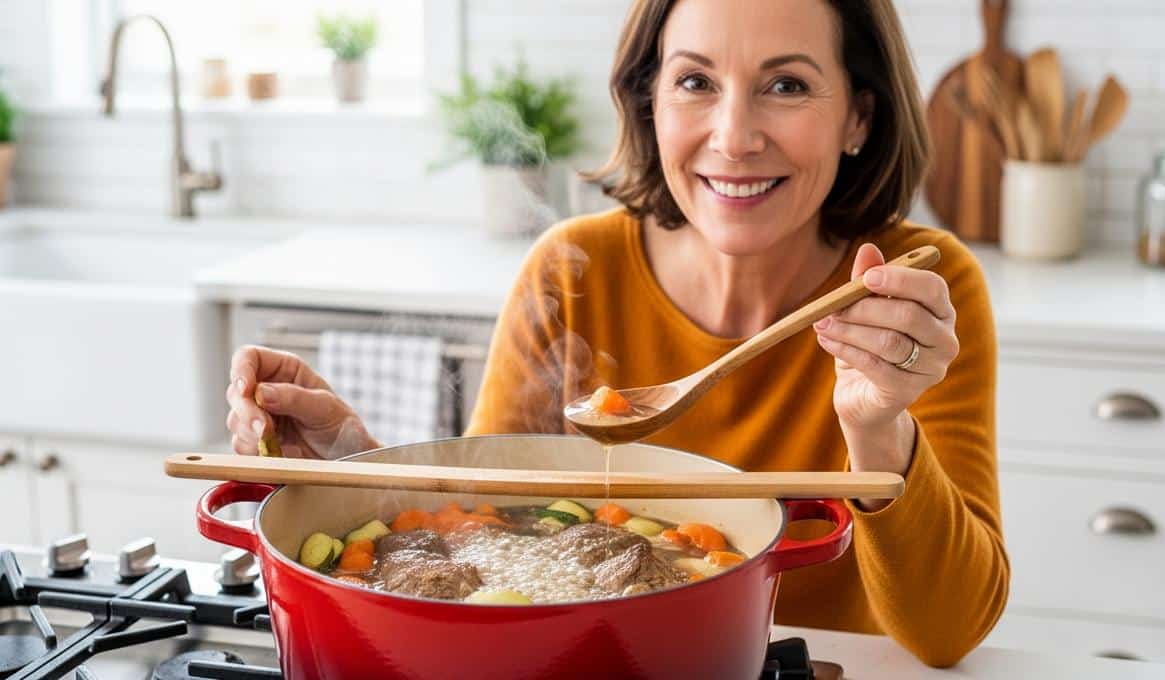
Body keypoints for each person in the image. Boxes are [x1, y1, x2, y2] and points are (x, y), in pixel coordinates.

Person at [226, 0, 1007, 667]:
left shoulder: (907, 297)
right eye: (696, 81)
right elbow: (481, 529)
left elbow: (948, 636)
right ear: (649, 102)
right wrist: (350, 475)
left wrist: (878, 427)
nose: (735, 135)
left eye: (787, 85)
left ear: (858, 117)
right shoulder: (572, 271)